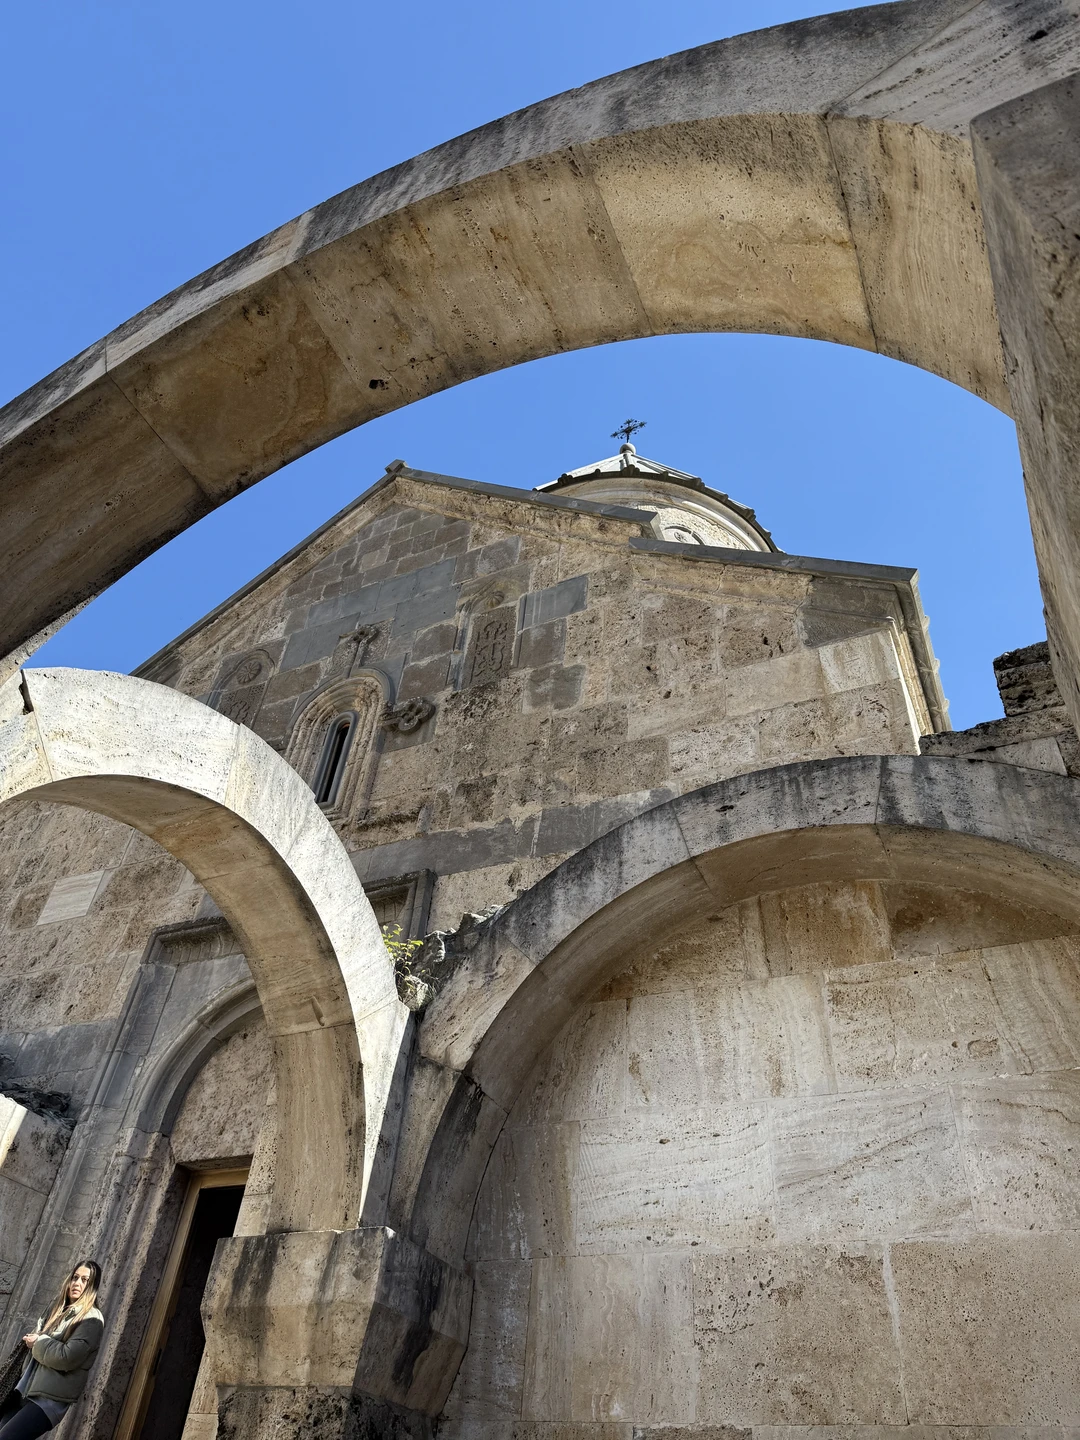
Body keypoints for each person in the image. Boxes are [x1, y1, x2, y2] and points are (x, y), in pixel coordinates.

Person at [0, 1262, 104, 1439]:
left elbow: (67, 1357)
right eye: (75, 1277)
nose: (77, 1283)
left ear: (92, 1286)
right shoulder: (55, 1307)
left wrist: (39, 1342)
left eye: (85, 1280)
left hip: (48, 1402)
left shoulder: (92, 1319)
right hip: (24, 1391)